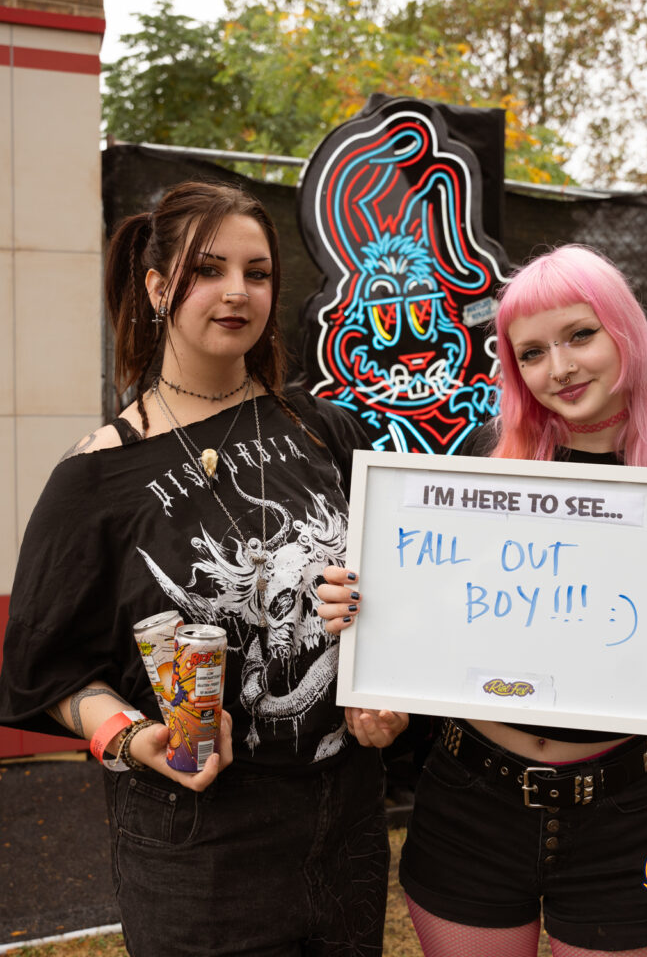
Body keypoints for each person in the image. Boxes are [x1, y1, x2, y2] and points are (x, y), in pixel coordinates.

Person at [0, 180, 407, 957]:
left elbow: (392, 601)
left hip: (346, 816)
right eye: (208, 269)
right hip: (199, 842)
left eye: (257, 273)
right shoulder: (96, 477)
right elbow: (45, 672)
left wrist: (387, 695)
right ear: (157, 287)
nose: (237, 292)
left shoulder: (327, 432)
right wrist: (127, 737)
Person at [320, 245, 647, 957]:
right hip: (469, 806)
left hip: (623, 813)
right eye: (533, 352)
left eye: (581, 335)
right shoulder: (484, 467)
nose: (562, 367)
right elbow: (443, 625)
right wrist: (363, 620)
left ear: (626, 334)